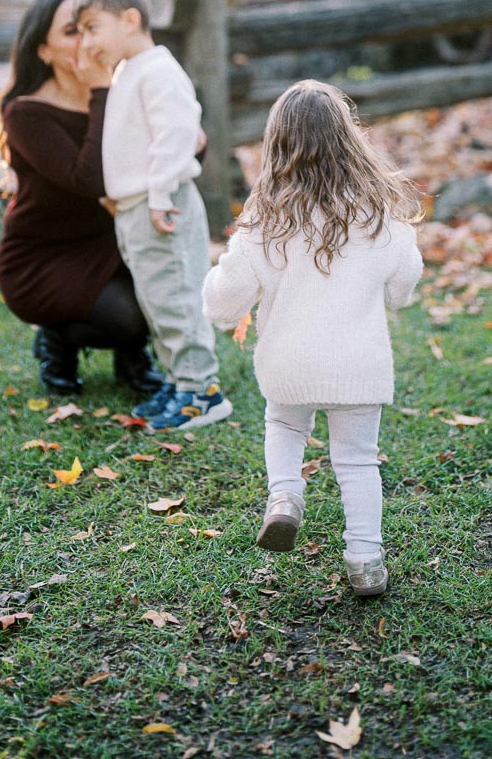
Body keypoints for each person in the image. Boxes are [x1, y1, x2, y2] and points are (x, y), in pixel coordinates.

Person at [202, 80, 423, 597]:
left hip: (289, 365)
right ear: (351, 141)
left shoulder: (265, 219)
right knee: (357, 460)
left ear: (276, 147)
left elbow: (223, 302)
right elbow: (403, 286)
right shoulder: (380, 215)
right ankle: (366, 560)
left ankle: (285, 497)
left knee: (283, 423)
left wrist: (214, 277)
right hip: (359, 365)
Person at [0, 0, 164, 398]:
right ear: (43, 50)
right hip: (44, 260)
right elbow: (90, 180)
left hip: (114, 243)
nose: (86, 40)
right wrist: (102, 91)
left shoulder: (126, 86)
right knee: (130, 318)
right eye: (70, 31)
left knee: (167, 295)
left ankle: (132, 360)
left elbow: (181, 146)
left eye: (89, 28)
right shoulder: (26, 113)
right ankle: (57, 338)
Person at [71, 0, 232, 431]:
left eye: (91, 27)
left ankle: (203, 392)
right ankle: (180, 382)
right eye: (80, 30)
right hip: (136, 206)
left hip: (164, 204)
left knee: (178, 295)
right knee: (158, 299)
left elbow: (175, 135)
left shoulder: (159, 70)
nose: (87, 41)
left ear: (130, 19)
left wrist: (160, 194)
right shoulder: (129, 71)